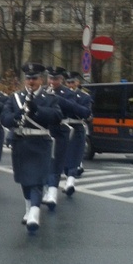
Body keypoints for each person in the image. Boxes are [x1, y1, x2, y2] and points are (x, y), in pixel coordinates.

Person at [0, 63, 62, 233]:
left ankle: (35, 211)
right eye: (28, 78)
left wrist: (37, 109)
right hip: (21, 142)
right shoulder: (16, 97)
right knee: (24, 180)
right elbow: (4, 117)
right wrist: (15, 117)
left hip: (40, 142)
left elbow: (57, 116)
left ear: (41, 79)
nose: (31, 81)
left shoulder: (49, 98)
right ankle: (29, 208)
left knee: (37, 180)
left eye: (34, 78)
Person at [43, 66, 90, 208]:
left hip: (61, 130)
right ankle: (46, 190)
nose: (52, 81)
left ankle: (52, 192)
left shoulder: (68, 93)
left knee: (57, 162)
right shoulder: (42, 92)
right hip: (44, 131)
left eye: (56, 79)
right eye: (50, 78)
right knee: (44, 163)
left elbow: (76, 109)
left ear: (61, 79)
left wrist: (56, 99)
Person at [61, 71, 92, 194]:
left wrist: (71, 105)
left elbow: (86, 112)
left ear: (78, 82)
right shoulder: (61, 94)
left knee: (74, 156)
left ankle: (70, 183)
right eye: (68, 82)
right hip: (63, 127)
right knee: (62, 156)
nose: (70, 85)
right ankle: (67, 177)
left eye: (72, 82)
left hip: (76, 127)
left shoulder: (84, 96)